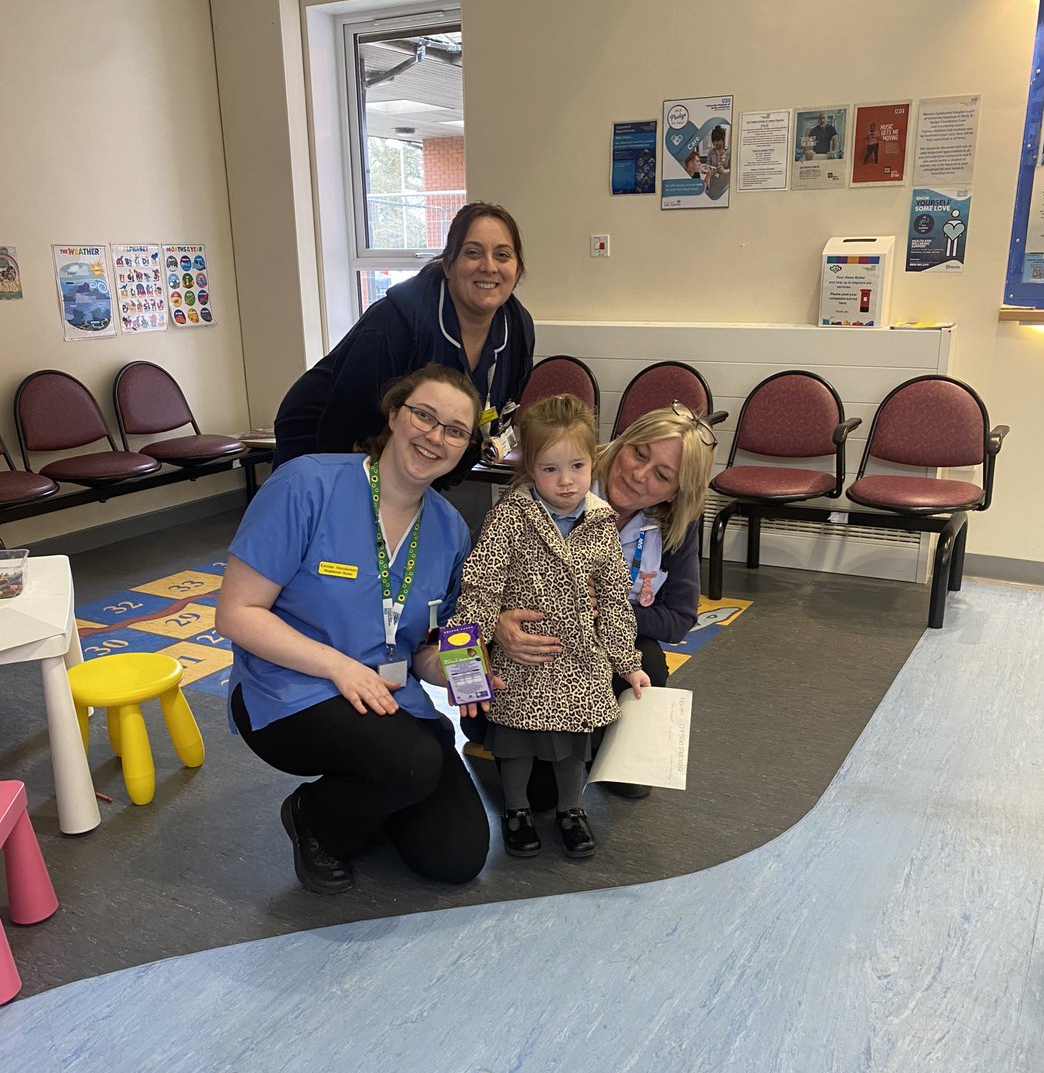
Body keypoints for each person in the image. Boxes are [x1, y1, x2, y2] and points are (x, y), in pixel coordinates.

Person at [216, 364, 492, 894]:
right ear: (394, 415)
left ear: (464, 447)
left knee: (456, 857)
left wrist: (468, 672)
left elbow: (424, 651)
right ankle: (313, 816)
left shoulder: (449, 529)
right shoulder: (307, 484)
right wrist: (338, 666)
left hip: (386, 697)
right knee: (411, 762)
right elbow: (236, 613)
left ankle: (375, 792)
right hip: (290, 691)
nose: (435, 437)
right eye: (424, 416)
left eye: (455, 430)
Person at [462, 400, 718, 804]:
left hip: (593, 652)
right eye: (639, 453)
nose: (638, 475)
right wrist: (493, 628)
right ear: (623, 441)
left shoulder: (673, 527)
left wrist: (603, 609)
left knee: (646, 659)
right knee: (539, 798)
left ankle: (607, 745)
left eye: (661, 475)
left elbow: (679, 619)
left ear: (675, 493)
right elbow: (474, 583)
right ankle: (504, 736)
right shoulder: (542, 486)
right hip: (529, 655)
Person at [452, 395, 650, 859]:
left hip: (579, 661)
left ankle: (570, 809)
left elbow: (616, 605)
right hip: (521, 660)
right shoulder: (509, 517)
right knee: (516, 744)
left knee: (573, 746)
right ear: (528, 468)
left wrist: (627, 663)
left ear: (593, 460)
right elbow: (479, 588)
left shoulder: (601, 521)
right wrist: (464, 671)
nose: (566, 481)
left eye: (577, 466)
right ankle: (515, 809)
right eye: (549, 469)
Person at [272, 202, 535, 486]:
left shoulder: (518, 330)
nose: (489, 266)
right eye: (472, 252)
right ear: (448, 265)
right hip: (322, 444)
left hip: (405, 460)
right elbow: (346, 431)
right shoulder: (392, 325)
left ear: (517, 269)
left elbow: (494, 416)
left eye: (502, 255)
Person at [705, 124, 730, 201]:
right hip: (714, 185)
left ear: (723, 139)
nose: (715, 143)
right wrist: (707, 169)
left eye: (718, 140)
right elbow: (707, 165)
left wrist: (724, 171)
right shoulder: (710, 152)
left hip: (726, 185)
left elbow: (733, 169)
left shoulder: (729, 152)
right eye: (713, 141)